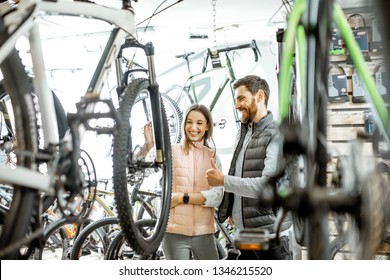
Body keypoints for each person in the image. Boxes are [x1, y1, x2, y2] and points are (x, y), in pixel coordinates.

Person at [206, 75, 292, 260]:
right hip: (245, 234)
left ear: (259, 96)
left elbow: (266, 187)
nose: (236, 106)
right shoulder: (243, 133)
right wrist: (235, 209)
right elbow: (242, 172)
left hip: (270, 236)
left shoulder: (276, 135)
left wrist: (223, 181)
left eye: (241, 98)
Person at [143, 104, 223, 260]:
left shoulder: (213, 157)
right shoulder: (170, 151)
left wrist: (181, 198)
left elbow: (217, 196)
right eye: (189, 122)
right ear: (184, 124)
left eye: (199, 123)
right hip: (173, 233)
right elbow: (142, 170)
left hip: (204, 233)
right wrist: (148, 146)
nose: (193, 127)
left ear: (207, 126)